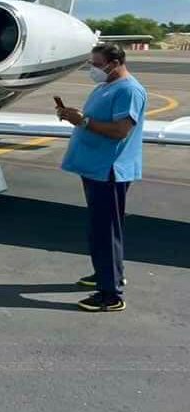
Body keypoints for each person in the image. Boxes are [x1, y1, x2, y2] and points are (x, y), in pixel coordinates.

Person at [58, 43, 147, 312]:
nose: (92, 69)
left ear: (114, 62)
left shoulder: (128, 90)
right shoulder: (105, 86)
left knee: (106, 231)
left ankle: (111, 295)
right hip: (95, 168)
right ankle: (107, 274)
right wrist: (73, 116)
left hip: (109, 171)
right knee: (100, 229)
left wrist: (82, 121)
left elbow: (121, 130)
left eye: (96, 64)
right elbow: (93, 118)